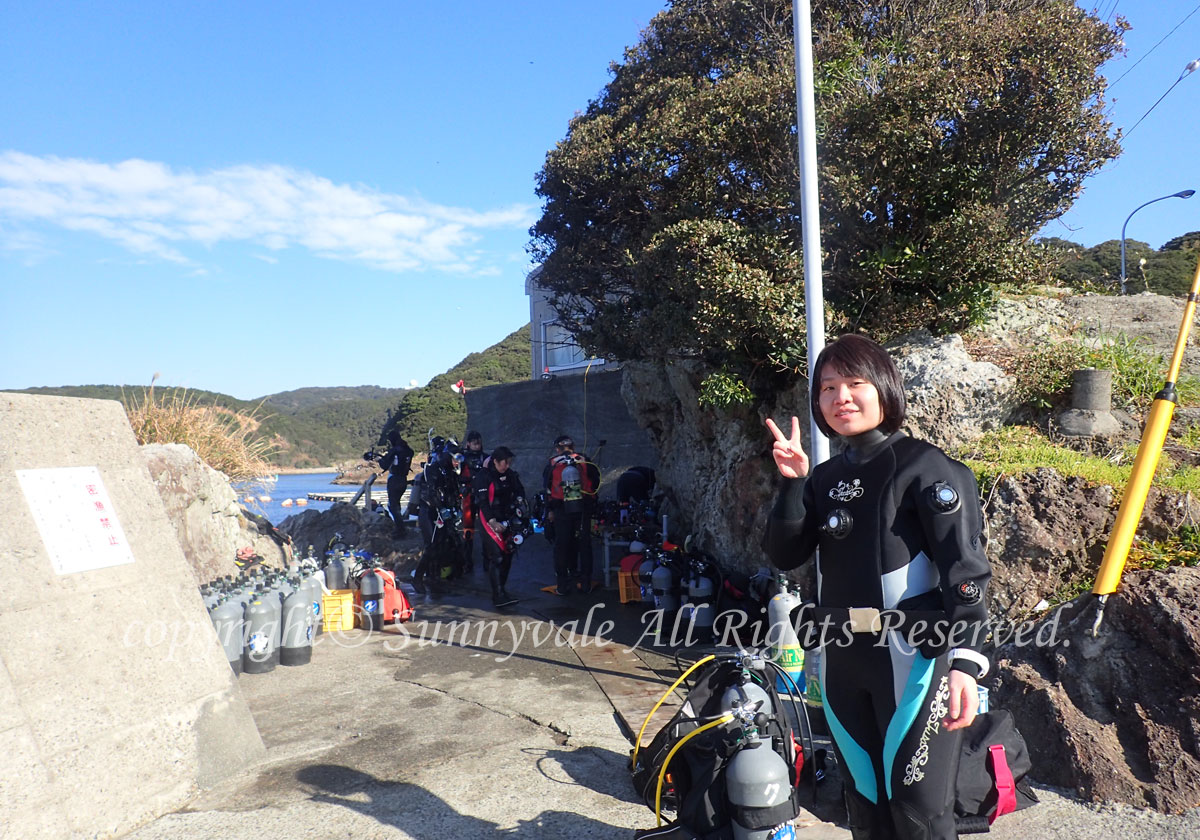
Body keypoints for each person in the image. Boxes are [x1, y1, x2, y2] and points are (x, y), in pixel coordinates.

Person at [763, 333, 992, 840]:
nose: (840, 397)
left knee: (920, 813)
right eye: (827, 388)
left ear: (884, 389)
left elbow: (967, 574)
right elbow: (784, 554)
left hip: (914, 661)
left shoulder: (924, 467)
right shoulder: (823, 478)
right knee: (865, 812)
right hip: (844, 662)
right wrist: (794, 484)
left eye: (854, 383)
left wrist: (966, 666)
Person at [543, 434, 597, 595]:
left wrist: (549, 510)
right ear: (572, 447)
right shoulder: (584, 460)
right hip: (583, 508)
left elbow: (546, 487)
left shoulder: (552, 463)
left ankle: (562, 585)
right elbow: (595, 482)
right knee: (585, 544)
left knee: (562, 545)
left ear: (557, 449)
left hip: (561, 509)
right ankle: (586, 583)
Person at [473, 445, 526, 608]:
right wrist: (492, 521)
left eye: (509, 463)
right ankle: (497, 595)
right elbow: (482, 502)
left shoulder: (510, 474)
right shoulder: (484, 476)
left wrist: (519, 506)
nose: (507, 466)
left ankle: (502, 590)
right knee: (497, 556)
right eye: (504, 463)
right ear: (495, 461)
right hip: (488, 519)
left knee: (508, 554)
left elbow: (520, 491)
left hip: (507, 517)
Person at [458, 430, 489, 573]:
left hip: (483, 495)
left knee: (487, 526)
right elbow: (456, 476)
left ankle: (487, 560)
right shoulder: (462, 458)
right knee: (468, 528)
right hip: (469, 495)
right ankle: (467, 561)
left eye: (479, 443)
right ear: (468, 444)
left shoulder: (487, 458)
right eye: (474, 443)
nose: (477, 446)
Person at [376, 429, 414, 538]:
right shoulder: (408, 450)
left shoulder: (394, 451)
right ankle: (399, 527)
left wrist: (379, 459)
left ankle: (401, 530)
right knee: (396, 504)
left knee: (392, 506)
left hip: (394, 479)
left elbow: (385, 465)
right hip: (403, 479)